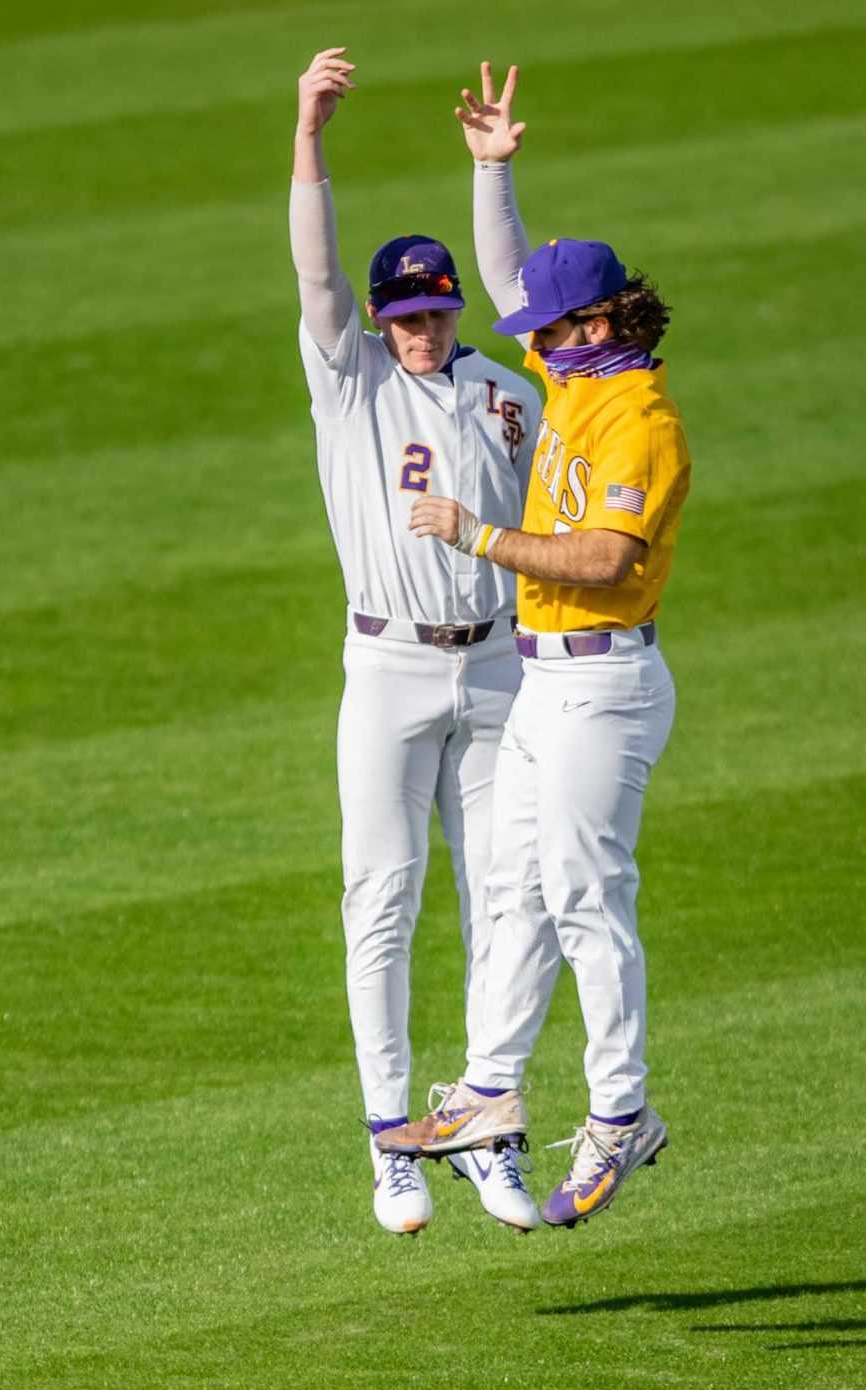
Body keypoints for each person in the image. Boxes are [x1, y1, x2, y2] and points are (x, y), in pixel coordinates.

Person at [392, 63, 691, 1231]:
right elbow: (518, 277)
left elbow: (605, 561)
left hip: (604, 682)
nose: (536, 342)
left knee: (584, 894)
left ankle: (621, 1111)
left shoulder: (638, 417)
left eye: (555, 328)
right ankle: (488, 1089)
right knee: (510, 886)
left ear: (607, 319)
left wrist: (482, 536)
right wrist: (491, 168)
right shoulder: (577, 377)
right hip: (544, 685)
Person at [288, 48, 546, 1237]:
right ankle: (391, 1141)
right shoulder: (348, 381)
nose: (418, 332)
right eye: (403, 318)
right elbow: (318, 276)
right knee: (379, 897)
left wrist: (491, 173)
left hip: (496, 660)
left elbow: (530, 308)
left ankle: (483, 1127)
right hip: (388, 666)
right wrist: (310, 138)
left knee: (504, 898)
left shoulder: (509, 393)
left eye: (432, 312)